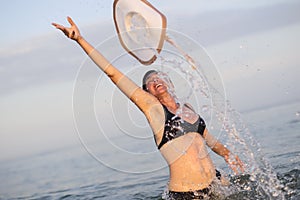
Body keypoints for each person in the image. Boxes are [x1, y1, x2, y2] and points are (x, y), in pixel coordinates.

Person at [52, 17, 244, 199]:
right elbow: (112, 73)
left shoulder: (187, 108)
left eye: (158, 78)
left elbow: (208, 139)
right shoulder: (154, 110)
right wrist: (80, 39)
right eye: (149, 82)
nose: (155, 81)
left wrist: (228, 154)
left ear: (168, 83)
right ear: (147, 93)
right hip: (187, 193)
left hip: (216, 183)